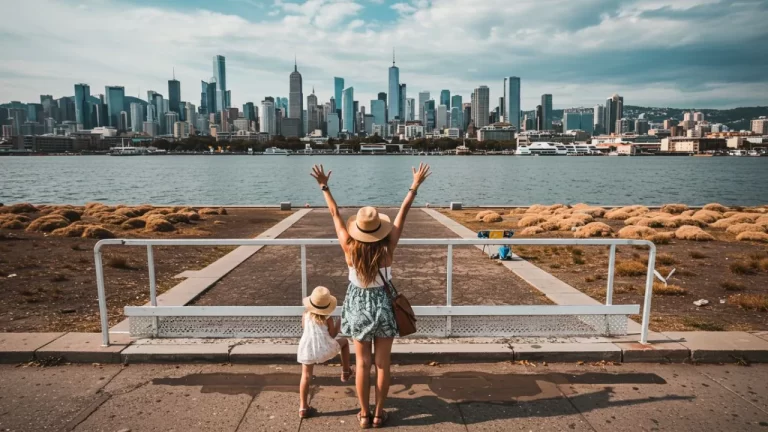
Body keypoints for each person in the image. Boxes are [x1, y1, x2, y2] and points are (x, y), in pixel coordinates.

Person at [310, 162, 431, 429]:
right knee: (383, 364)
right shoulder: (388, 247)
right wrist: (414, 185)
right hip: (385, 303)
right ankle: (379, 414)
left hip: (358, 303)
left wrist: (324, 186)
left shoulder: (349, 247)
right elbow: (403, 212)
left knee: (362, 364)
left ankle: (364, 415)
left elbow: (334, 213)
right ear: (379, 229)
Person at [297, 286, 352, 419]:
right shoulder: (328, 319)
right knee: (344, 342)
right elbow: (332, 335)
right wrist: (339, 323)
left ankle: (303, 407)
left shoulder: (305, 314)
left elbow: (304, 327)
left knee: (305, 376)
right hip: (324, 349)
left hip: (307, 349)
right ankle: (345, 371)